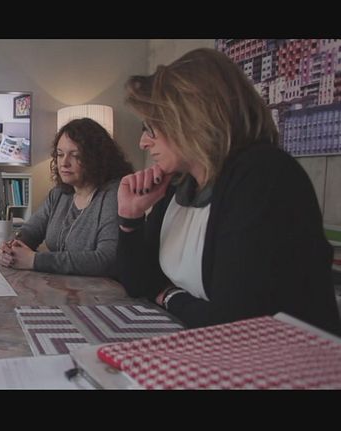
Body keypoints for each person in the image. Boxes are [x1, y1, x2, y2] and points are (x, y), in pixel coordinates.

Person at [116, 48, 341, 334]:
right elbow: (139, 284)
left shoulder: (262, 175)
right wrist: (130, 218)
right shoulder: (179, 184)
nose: (143, 143)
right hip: (205, 342)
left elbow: (235, 321)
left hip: (286, 354)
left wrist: (169, 296)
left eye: (151, 127)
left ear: (191, 118)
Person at [0, 118, 134, 276]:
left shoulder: (114, 194)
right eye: (60, 154)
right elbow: (31, 231)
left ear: (97, 158)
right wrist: (11, 248)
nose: (64, 163)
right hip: (63, 285)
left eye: (75, 155)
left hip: (100, 289)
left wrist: (35, 260)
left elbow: (107, 259)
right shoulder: (59, 193)